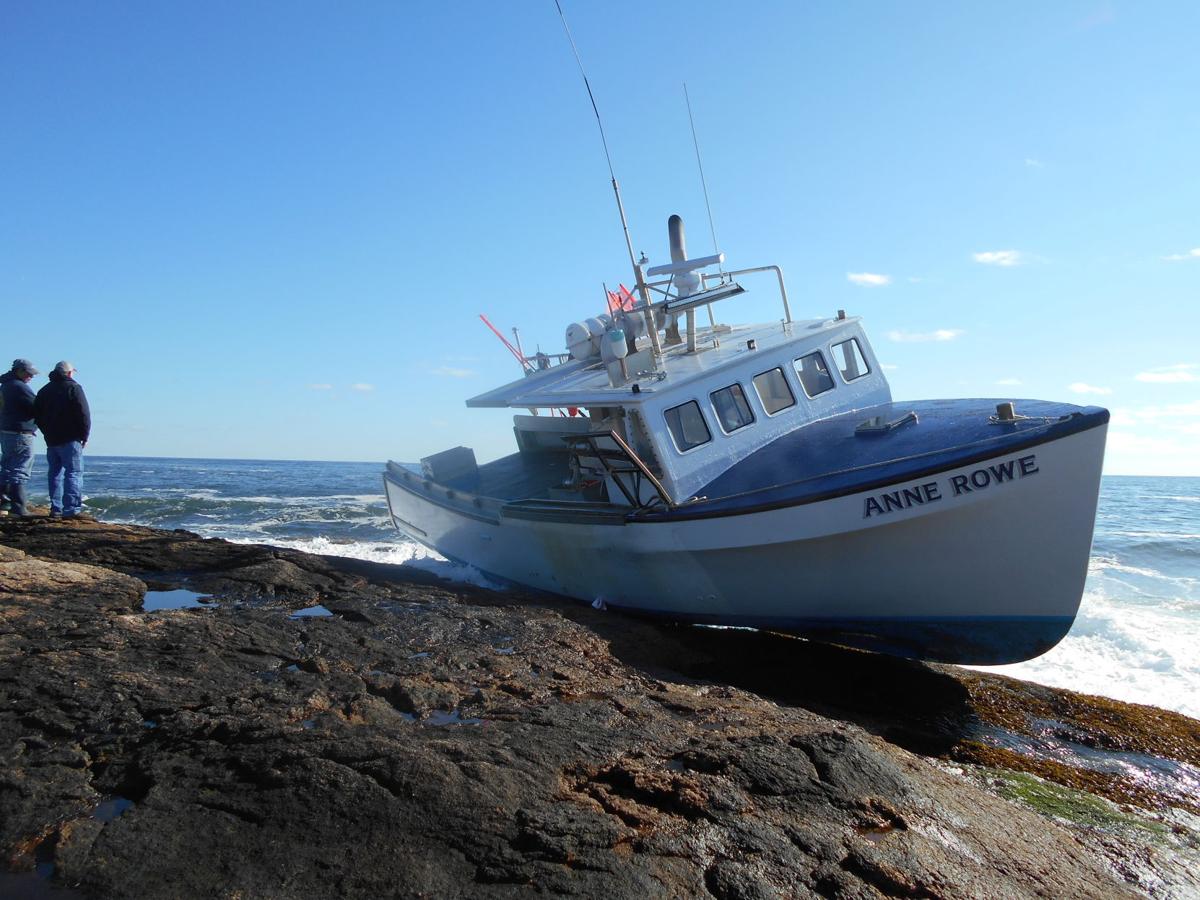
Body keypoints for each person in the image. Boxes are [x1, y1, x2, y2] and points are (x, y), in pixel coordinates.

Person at [34, 361, 91, 518]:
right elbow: (83, 413)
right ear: (69, 373)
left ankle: (56, 508)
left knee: (55, 473)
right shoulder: (73, 388)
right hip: (70, 438)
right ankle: (71, 509)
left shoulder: (44, 391)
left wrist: (46, 432)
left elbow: (37, 416)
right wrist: (84, 435)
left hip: (51, 439)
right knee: (73, 473)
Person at [0, 358, 40, 516]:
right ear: (19, 371)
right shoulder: (19, 387)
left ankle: (5, 504)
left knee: (7, 467)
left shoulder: (6, 385)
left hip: (6, 432)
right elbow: (36, 406)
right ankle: (18, 507)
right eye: (29, 373)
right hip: (20, 433)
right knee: (20, 469)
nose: (31, 376)